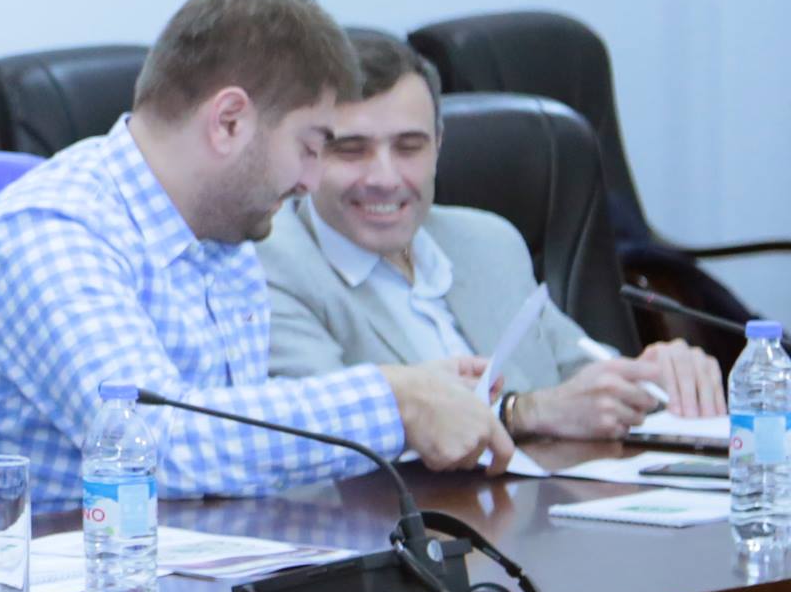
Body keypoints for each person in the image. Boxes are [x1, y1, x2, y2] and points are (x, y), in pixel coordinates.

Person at [0, 0, 512, 522]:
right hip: (39, 588)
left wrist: (420, 388)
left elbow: (233, 444)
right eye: (311, 147)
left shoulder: (226, 234)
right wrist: (393, 402)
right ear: (229, 122)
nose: (311, 180)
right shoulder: (51, 229)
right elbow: (155, 447)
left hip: (189, 567)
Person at [259, 32, 723, 438]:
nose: (384, 178)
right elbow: (326, 431)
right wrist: (523, 412)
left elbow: (581, 370)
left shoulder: (489, 241)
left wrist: (655, 378)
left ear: (438, 145)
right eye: (351, 151)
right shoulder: (272, 262)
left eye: (409, 147)